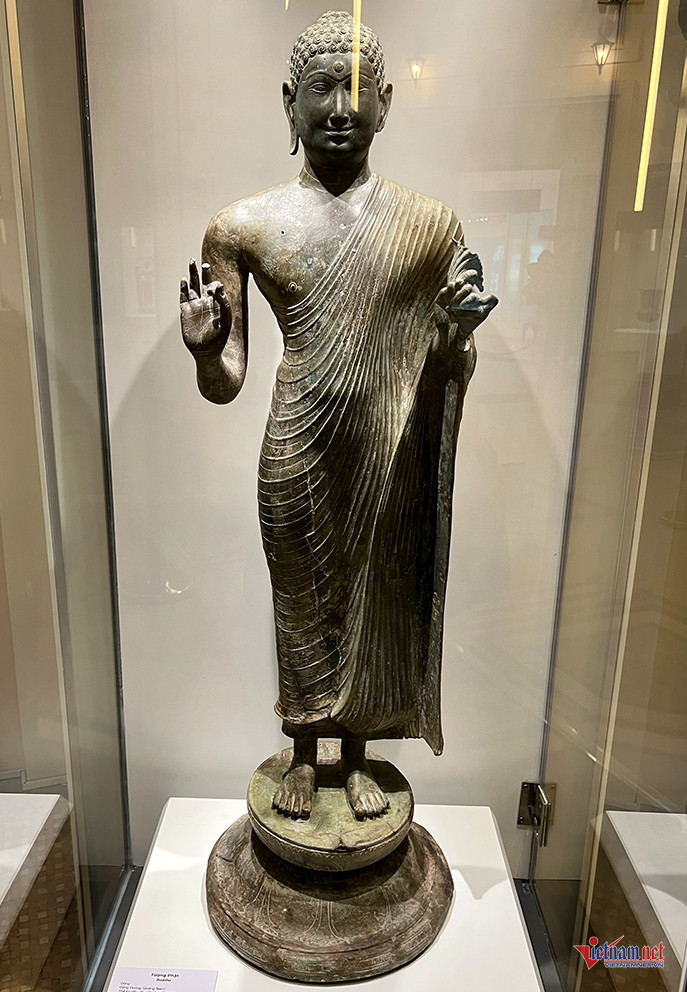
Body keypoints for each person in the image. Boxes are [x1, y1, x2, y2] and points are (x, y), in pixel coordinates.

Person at [180, 11, 497, 821]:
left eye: (358, 89)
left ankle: (355, 752)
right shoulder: (243, 226)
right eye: (320, 87)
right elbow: (225, 383)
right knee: (301, 604)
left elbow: (448, 359)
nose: (340, 107)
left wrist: (456, 336)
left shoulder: (429, 228)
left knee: (376, 600)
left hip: (388, 449)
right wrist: (206, 349)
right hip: (298, 444)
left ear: (386, 102)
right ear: (288, 101)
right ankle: (303, 749)